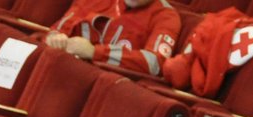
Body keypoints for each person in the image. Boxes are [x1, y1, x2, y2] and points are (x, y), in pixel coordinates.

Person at [43, 0, 180, 76]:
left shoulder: (166, 16)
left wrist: (94, 52)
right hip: (64, 69)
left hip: (112, 86)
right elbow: (58, 29)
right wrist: (55, 38)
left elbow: (154, 63)